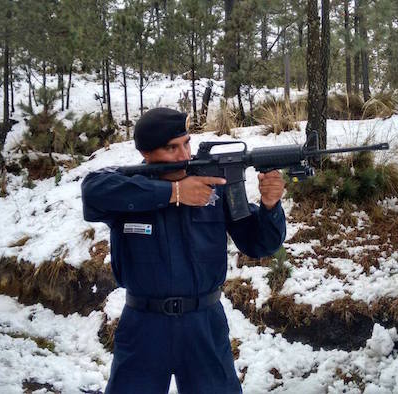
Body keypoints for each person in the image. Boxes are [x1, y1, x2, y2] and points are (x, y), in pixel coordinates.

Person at [81, 107, 286, 394]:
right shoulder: (129, 189)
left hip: (203, 324)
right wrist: (174, 194)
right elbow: (92, 189)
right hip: (144, 327)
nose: (184, 155)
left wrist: (270, 206)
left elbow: (259, 243)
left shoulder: (213, 187)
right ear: (147, 154)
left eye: (186, 143)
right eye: (171, 148)